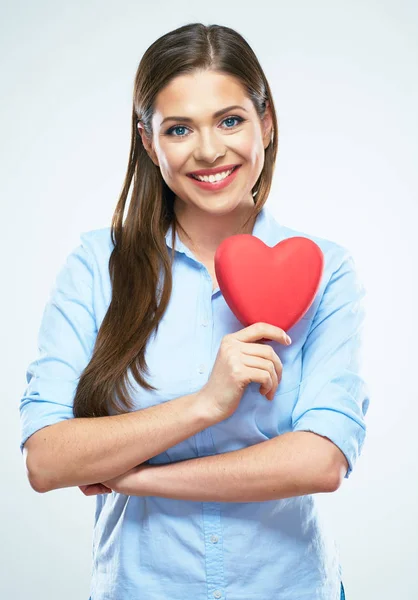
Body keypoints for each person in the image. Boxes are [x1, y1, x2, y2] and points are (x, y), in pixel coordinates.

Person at [18, 22, 368, 600]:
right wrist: (204, 404)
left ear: (268, 122)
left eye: (230, 120)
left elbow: (321, 460)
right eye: (179, 128)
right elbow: (47, 460)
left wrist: (139, 478)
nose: (209, 150)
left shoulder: (326, 269)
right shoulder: (95, 266)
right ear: (150, 143)